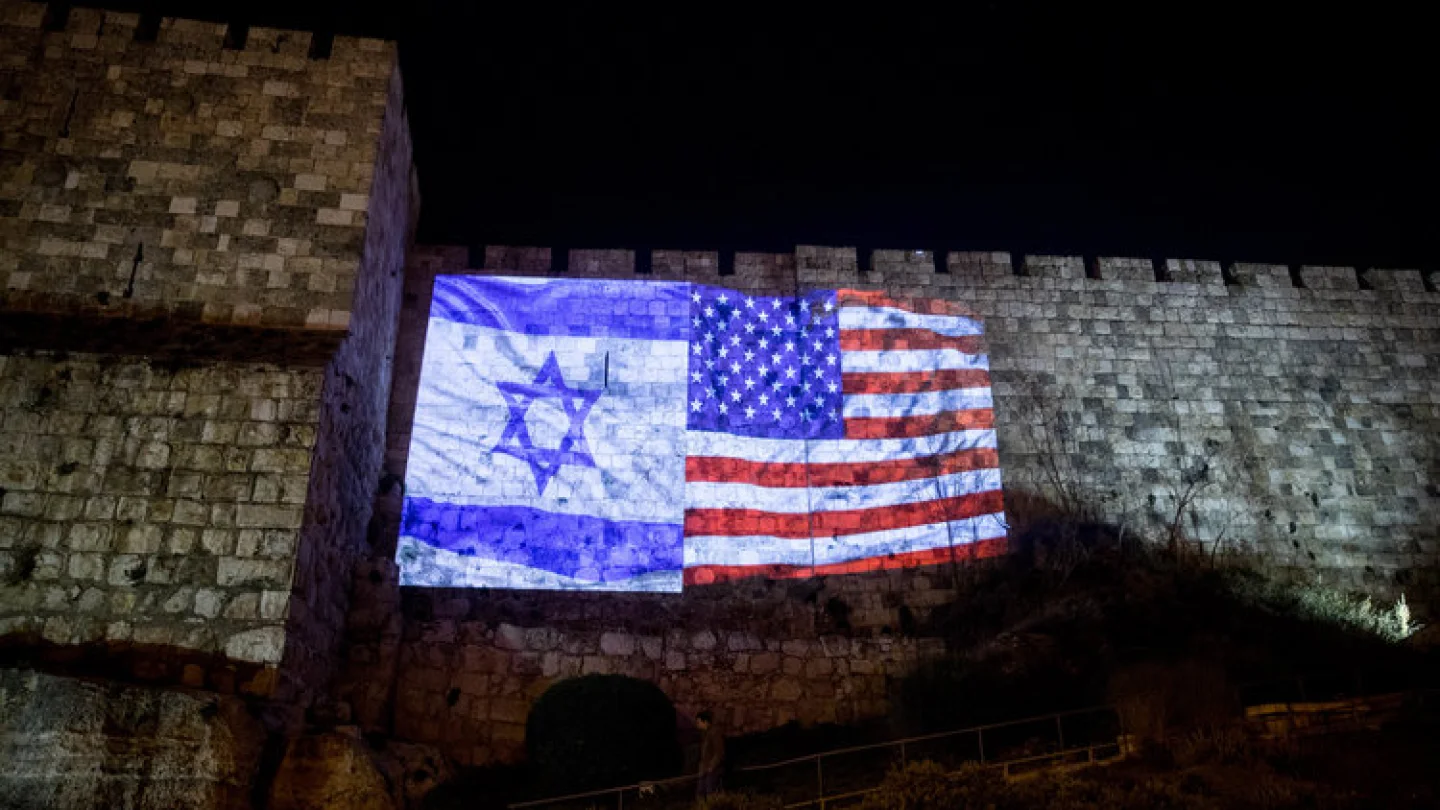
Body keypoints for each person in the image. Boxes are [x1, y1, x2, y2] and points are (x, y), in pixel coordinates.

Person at [695, 710, 726, 798]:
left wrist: (712, 766)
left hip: (711, 771)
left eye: (699, 722)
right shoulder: (705, 734)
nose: (698, 725)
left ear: (705, 722)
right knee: (701, 793)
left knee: (710, 793)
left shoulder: (714, 733)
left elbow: (719, 751)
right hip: (704, 770)